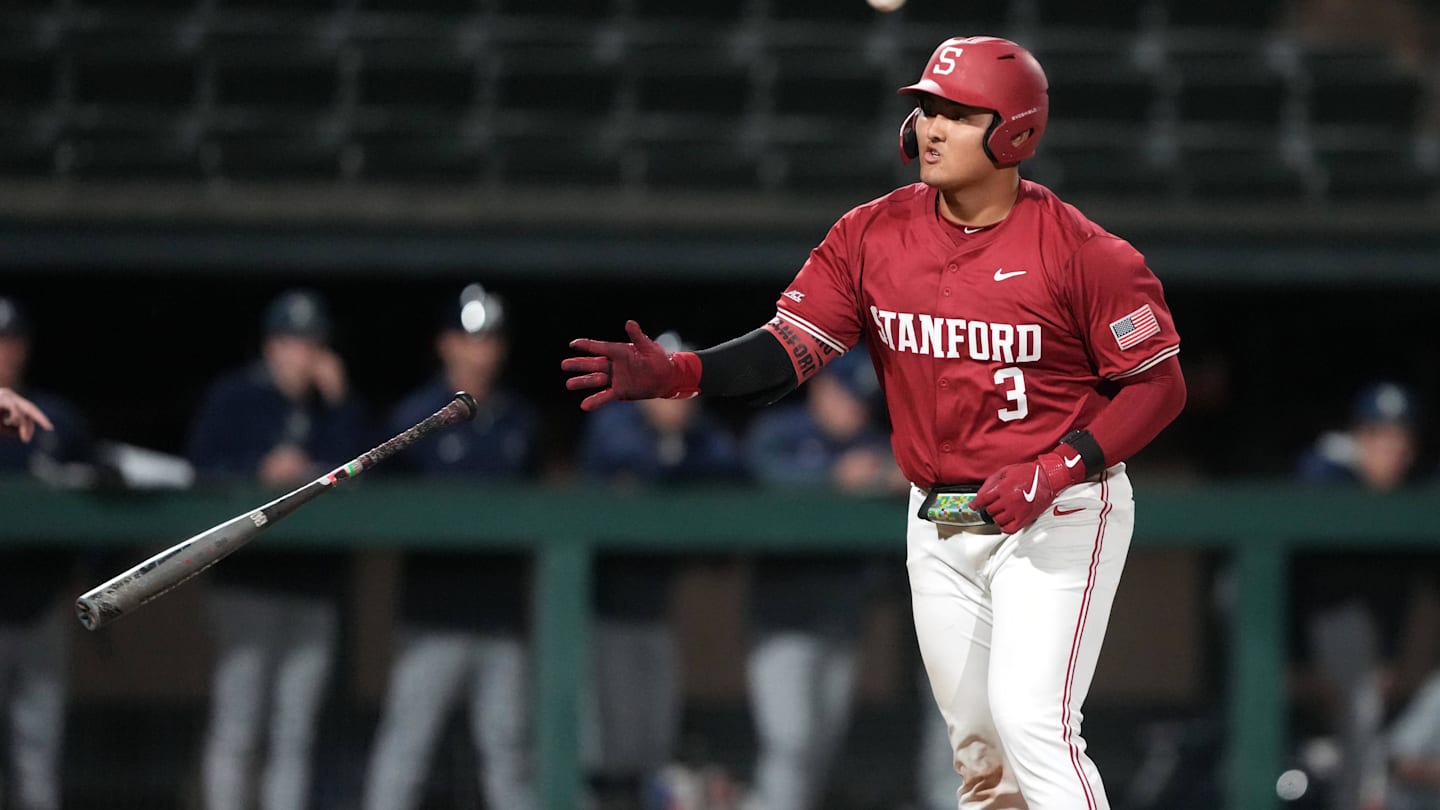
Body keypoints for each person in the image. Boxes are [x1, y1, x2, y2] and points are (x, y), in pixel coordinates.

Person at [562, 35, 1187, 809]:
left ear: (1015, 131)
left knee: (1035, 725)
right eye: (926, 107)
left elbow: (1159, 389)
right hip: (944, 514)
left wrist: (1059, 466)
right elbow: (792, 348)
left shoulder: (1086, 254)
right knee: (982, 758)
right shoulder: (870, 234)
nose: (930, 126)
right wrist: (688, 374)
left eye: (958, 113)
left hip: (1059, 507)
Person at [186, 289, 368, 810]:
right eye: (291, 341)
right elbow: (199, 470)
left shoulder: (330, 406)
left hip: (312, 583)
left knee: (294, 732)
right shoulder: (235, 396)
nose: (301, 354)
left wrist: (341, 403)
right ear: (270, 346)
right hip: (246, 579)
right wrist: (259, 472)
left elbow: (367, 467)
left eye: (311, 343)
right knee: (239, 723)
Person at [362, 283, 537, 810]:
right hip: (430, 614)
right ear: (445, 344)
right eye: (466, 338)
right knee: (406, 751)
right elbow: (376, 503)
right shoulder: (412, 417)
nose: (477, 351)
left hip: (501, 615)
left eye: (487, 340)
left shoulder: (519, 421)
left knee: (508, 755)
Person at [575, 331, 747, 805]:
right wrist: (675, 461)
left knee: (651, 744)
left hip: (652, 612)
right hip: (592, 613)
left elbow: (733, 469)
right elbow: (626, 463)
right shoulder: (613, 421)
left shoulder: (698, 437)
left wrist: (677, 453)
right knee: (603, 751)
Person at [740, 346, 902, 810]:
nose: (854, 409)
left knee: (818, 752)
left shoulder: (871, 444)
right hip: (781, 621)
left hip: (842, 623)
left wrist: (892, 478)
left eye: (861, 402)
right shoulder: (779, 431)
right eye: (846, 397)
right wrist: (832, 477)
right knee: (790, 745)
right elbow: (760, 473)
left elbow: (913, 476)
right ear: (821, 387)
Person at [1290, 381, 1434, 810]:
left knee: (1357, 736)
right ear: (1360, 438)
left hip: (1351, 643)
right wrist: (1295, 659)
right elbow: (1296, 579)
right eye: (1380, 437)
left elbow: (1396, 589)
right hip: (1279, 634)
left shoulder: (1401, 496)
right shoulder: (1324, 476)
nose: (1392, 452)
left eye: (1400, 440)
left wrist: (1388, 655)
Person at [0, 297, 91, 810]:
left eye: (11, 340)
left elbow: (100, 482)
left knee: (37, 754)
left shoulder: (53, 419)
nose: (4, 352)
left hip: (40, 600)